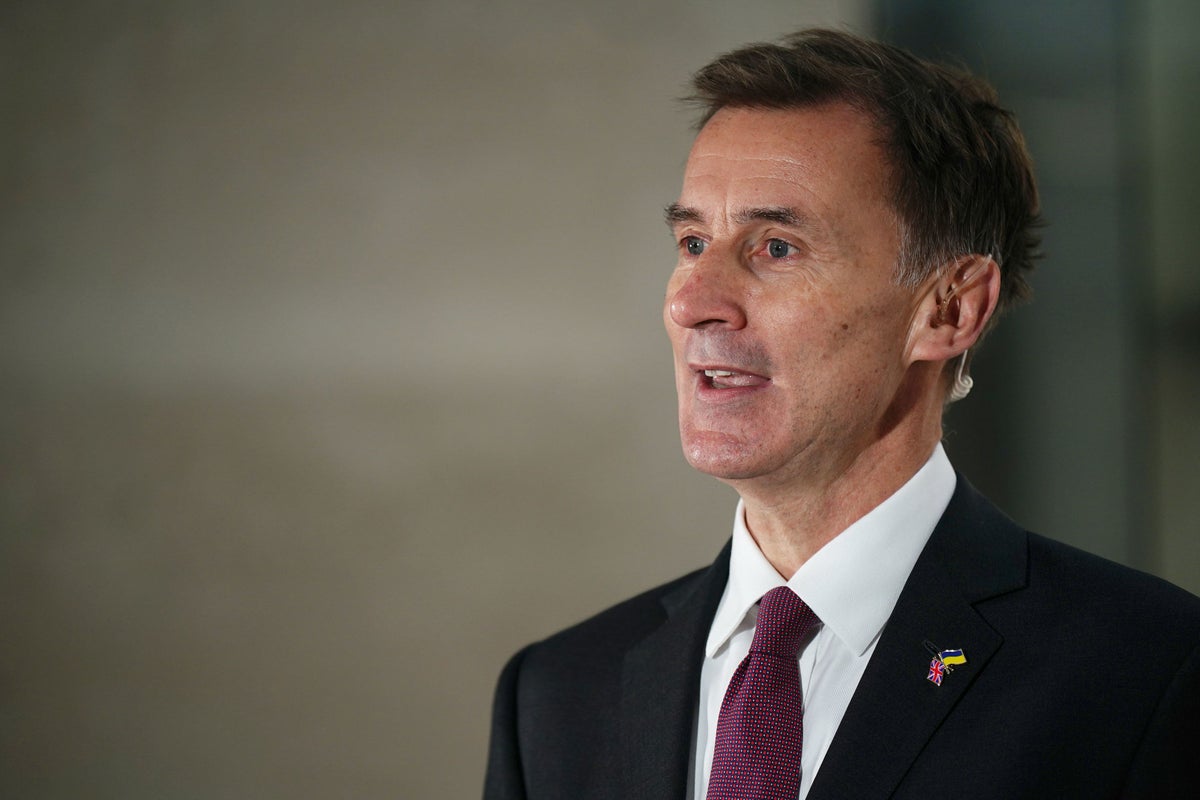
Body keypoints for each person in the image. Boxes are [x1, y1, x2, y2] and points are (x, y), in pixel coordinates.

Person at [483, 28, 1200, 800]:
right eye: (692, 242)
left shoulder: (1146, 672)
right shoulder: (557, 696)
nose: (693, 302)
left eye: (776, 248)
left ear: (949, 309)